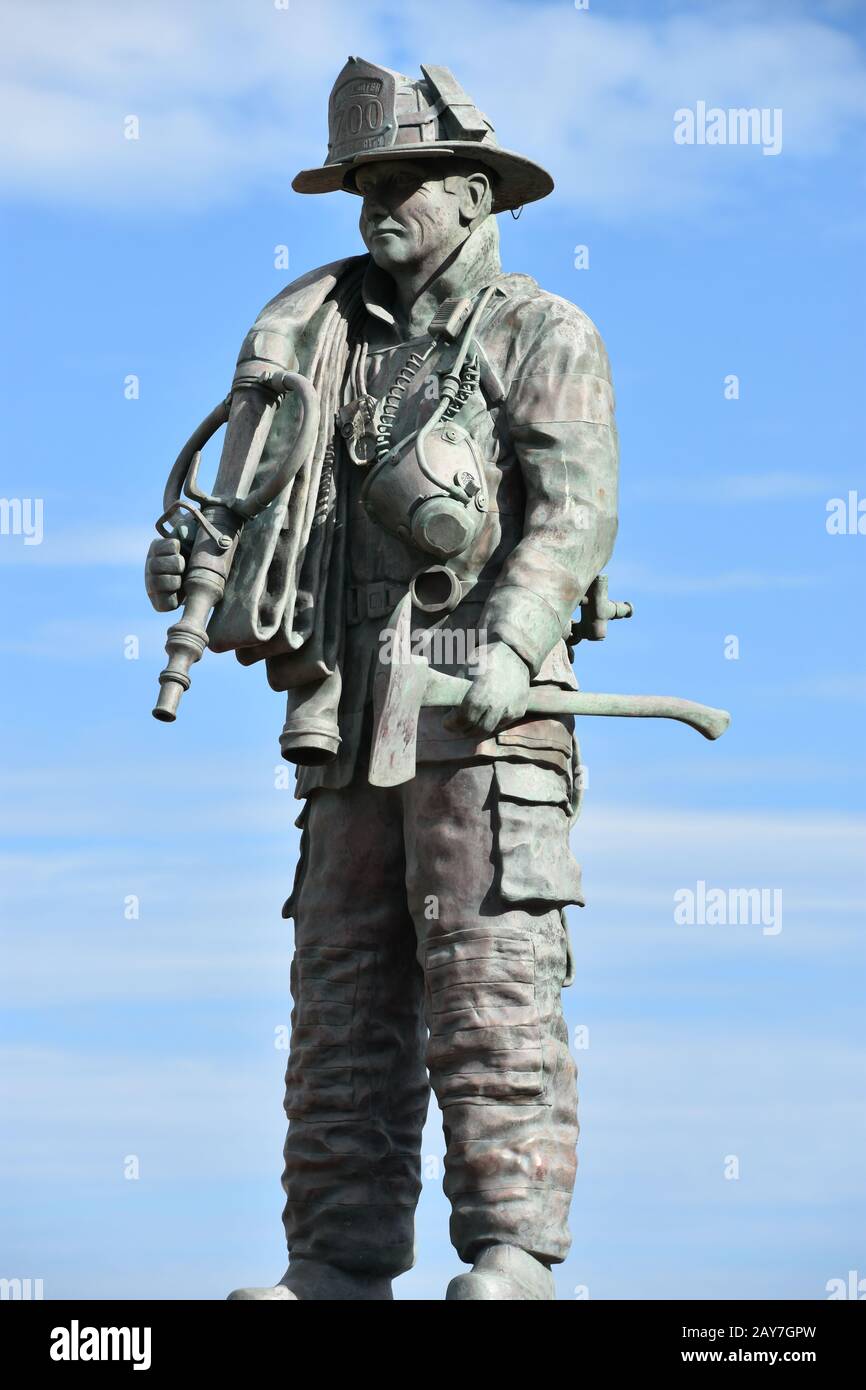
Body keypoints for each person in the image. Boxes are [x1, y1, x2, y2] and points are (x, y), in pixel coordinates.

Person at [146, 57, 619, 1301]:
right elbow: (253, 507)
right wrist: (191, 561)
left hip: (480, 711)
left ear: (472, 193)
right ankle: (336, 1261)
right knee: (341, 989)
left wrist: (512, 644)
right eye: (363, 185)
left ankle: (511, 1250)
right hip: (349, 706)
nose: (376, 205)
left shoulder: (540, 332)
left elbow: (572, 514)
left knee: (488, 974)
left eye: (402, 181)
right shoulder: (316, 340)